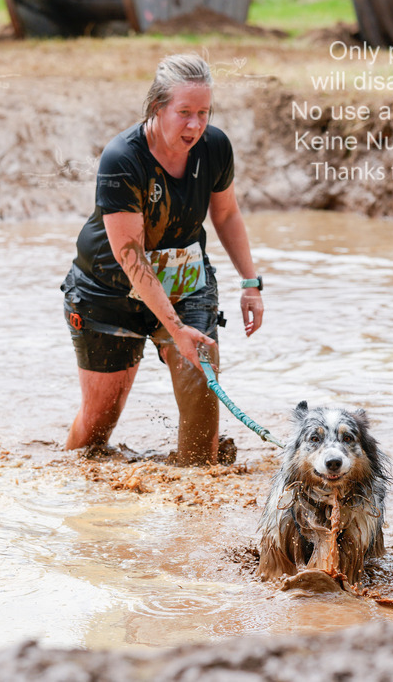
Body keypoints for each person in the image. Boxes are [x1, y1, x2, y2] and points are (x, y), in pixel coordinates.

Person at [61, 53, 264, 466]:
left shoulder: (215, 147)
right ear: (157, 108)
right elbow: (130, 255)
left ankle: (198, 522)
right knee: (96, 431)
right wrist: (175, 329)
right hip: (108, 291)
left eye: (203, 113)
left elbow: (225, 213)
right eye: (184, 112)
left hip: (187, 284)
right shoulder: (122, 158)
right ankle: (72, 491)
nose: (195, 125)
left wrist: (250, 283)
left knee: (201, 435)